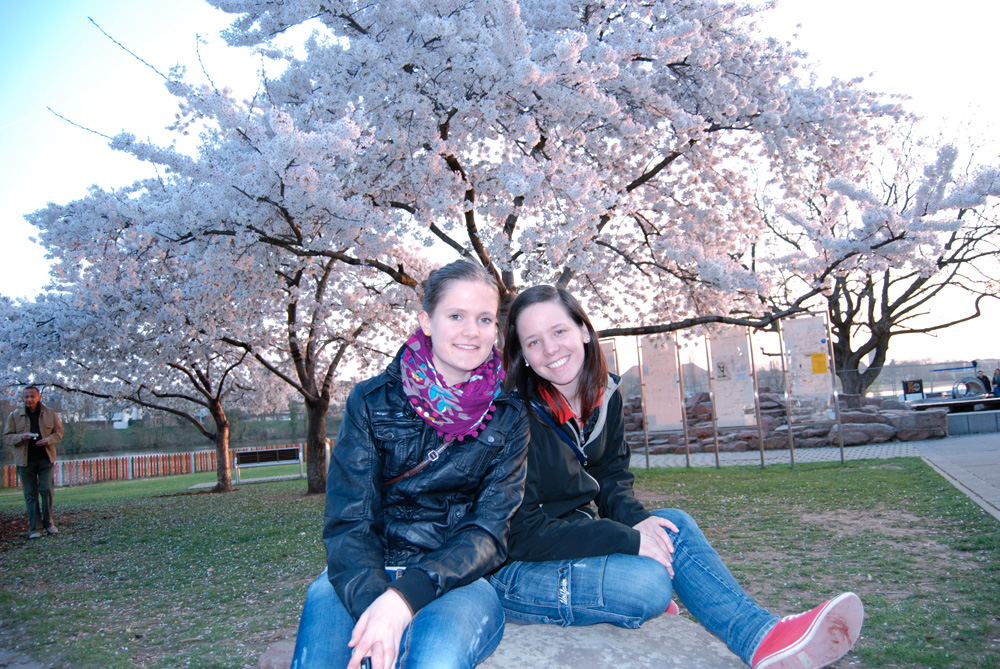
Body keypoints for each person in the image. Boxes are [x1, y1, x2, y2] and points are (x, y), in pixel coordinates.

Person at [492, 285, 864, 669]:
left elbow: (610, 476)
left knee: (674, 524)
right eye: (534, 341)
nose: (551, 349)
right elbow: (522, 533)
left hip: (572, 542)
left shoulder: (605, 395)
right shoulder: (515, 417)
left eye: (559, 331)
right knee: (648, 586)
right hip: (517, 568)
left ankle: (762, 638)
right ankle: (629, 590)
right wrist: (628, 538)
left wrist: (640, 523)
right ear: (523, 354)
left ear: (583, 330)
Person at [291, 260, 529, 669]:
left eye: (485, 319)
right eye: (456, 316)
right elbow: (349, 522)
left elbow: (489, 530)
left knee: (432, 661)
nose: (472, 331)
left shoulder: (509, 416)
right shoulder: (370, 401)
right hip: (366, 570)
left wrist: (407, 597)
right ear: (427, 322)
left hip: (459, 579)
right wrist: (378, 606)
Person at [3, 386, 64, 539]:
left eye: (32, 396)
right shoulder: (14, 416)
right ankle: (35, 528)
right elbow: (7, 437)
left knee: (46, 490)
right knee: (31, 494)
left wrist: (48, 440)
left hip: (45, 459)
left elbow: (59, 432)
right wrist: (20, 437)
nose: (29, 399)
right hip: (25, 461)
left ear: (38, 397)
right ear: (22, 399)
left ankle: (48, 523)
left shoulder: (50, 413)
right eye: (26, 397)